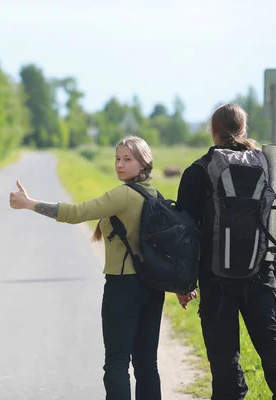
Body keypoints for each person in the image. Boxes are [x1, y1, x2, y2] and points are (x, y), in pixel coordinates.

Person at [9, 136, 164, 400]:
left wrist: (29, 203)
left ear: (144, 163)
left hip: (123, 285)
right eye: (117, 158)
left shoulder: (124, 194)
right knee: (147, 364)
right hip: (152, 287)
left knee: (116, 362)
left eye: (128, 159)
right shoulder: (155, 195)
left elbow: (76, 213)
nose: (120, 164)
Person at [175, 104, 276, 400]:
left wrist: (184, 284)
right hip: (261, 272)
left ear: (213, 131)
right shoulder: (268, 164)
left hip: (215, 276)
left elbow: (185, 234)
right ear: (243, 129)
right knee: (271, 342)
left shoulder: (198, 170)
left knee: (224, 355)